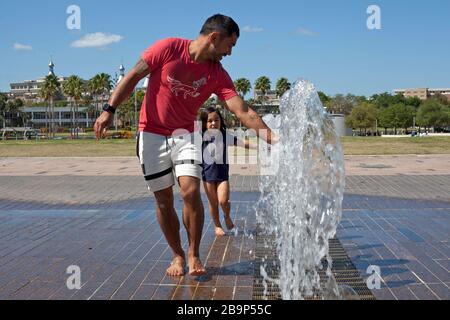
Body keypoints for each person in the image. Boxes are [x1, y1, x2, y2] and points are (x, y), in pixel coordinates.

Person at [94, 14, 277, 277]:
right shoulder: (168, 48)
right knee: (164, 201)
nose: (230, 53)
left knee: (190, 192)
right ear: (214, 37)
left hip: (185, 133)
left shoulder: (217, 74)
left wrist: (271, 138)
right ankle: (177, 254)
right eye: (230, 45)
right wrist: (109, 109)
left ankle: (193, 253)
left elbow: (242, 109)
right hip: (151, 133)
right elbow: (133, 75)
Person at [200, 107, 257, 237]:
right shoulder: (201, 137)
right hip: (207, 176)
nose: (214, 123)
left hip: (222, 175)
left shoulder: (225, 136)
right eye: (210, 121)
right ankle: (217, 225)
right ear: (204, 123)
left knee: (223, 201)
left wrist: (260, 145)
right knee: (213, 203)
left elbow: (242, 143)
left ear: (220, 121)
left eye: (216, 120)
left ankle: (226, 216)